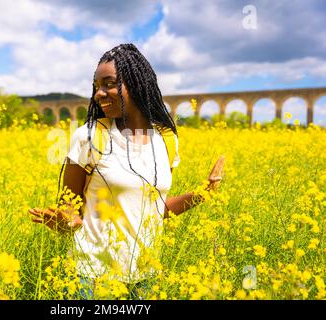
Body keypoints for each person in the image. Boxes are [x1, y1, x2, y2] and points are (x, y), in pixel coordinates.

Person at [29, 43, 224, 299]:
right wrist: (67, 222)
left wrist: (203, 193)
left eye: (108, 84)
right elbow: (69, 208)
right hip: (90, 277)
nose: (99, 93)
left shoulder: (166, 140)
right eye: (96, 86)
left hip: (144, 277)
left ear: (136, 83)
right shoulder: (88, 137)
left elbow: (156, 209)